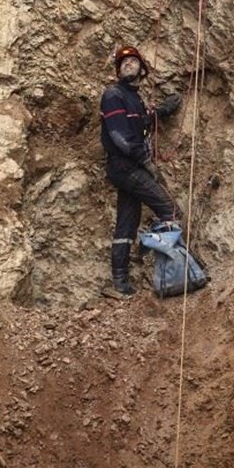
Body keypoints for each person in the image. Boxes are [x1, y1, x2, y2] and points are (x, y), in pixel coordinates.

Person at [99, 45, 182, 299]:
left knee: (127, 223)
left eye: (133, 61)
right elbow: (119, 136)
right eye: (123, 63)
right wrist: (146, 161)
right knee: (170, 209)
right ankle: (174, 275)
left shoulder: (132, 98)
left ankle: (119, 283)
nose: (128, 64)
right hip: (126, 166)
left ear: (142, 70)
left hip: (125, 168)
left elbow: (143, 119)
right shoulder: (113, 95)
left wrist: (164, 111)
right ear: (118, 70)